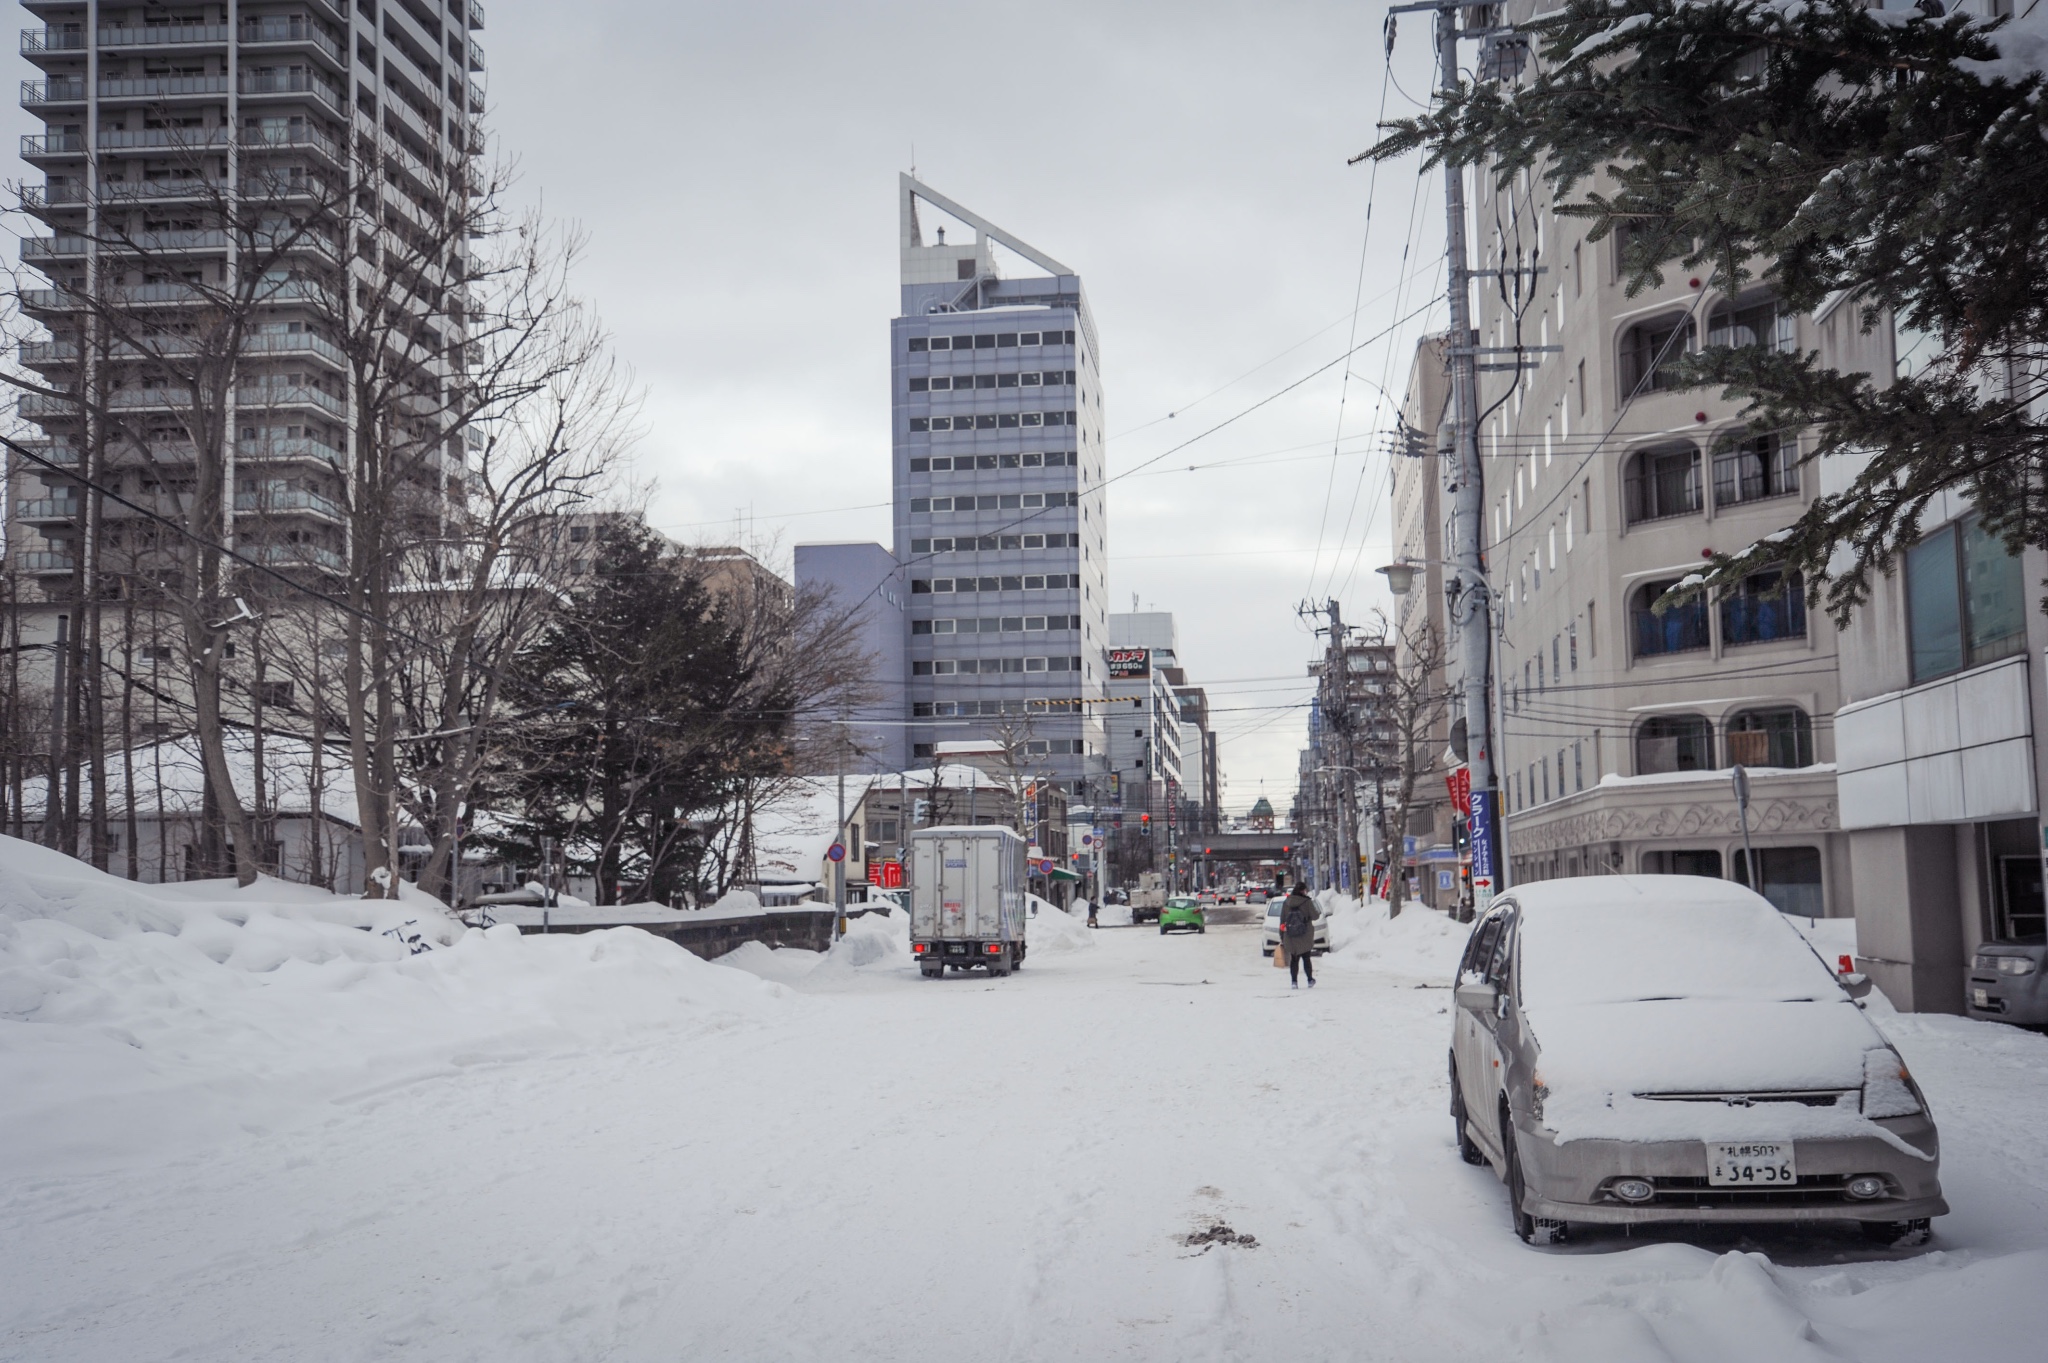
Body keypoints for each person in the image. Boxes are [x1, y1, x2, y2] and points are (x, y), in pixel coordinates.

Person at [1279, 883, 1318, 989]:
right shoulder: (1307, 902)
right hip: (1305, 934)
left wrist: (1282, 936)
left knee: (1294, 959)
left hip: (1291, 935)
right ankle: (1310, 980)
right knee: (1306, 958)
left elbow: (1282, 920)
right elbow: (1315, 916)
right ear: (1303, 890)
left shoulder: (1287, 902)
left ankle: (1294, 982)